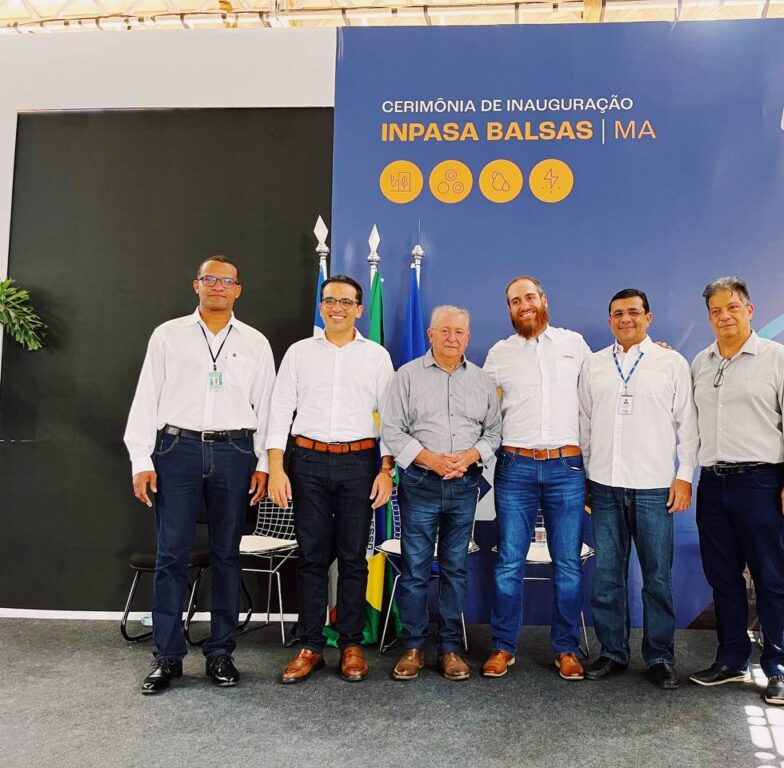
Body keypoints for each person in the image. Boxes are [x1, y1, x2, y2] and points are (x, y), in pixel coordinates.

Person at [124, 256, 275, 694]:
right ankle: (167, 657)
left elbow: (267, 407)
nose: (218, 286)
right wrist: (140, 459)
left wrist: (264, 463)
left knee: (227, 555)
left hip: (235, 452)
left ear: (238, 290)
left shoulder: (255, 342)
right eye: (210, 278)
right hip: (177, 449)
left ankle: (221, 653)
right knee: (171, 555)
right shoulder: (168, 335)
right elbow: (146, 396)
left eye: (227, 280)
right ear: (196, 285)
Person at [687, 276, 784, 706]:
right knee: (722, 578)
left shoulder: (778, 359)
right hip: (712, 484)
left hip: (762, 483)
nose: (724, 316)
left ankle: (780, 669)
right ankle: (731, 659)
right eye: (716, 310)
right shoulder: (701, 363)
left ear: (749, 310)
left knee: (770, 578)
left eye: (732, 307)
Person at [266, 275, 395, 684]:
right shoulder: (299, 353)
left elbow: (391, 418)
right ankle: (310, 645)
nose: (336, 308)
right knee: (311, 557)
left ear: (359, 309)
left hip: (360, 463)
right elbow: (279, 410)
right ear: (321, 306)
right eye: (329, 300)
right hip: (307, 462)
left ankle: (351, 644)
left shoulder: (376, 356)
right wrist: (276, 467)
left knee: (354, 557)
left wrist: (386, 470)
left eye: (345, 302)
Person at [578, 288, 698, 690]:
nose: (625, 319)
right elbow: (584, 424)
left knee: (657, 579)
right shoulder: (594, 364)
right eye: (617, 314)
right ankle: (612, 652)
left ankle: (660, 656)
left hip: (654, 488)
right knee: (607, 577)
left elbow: (688, 425)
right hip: (605, 486)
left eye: (633, 312)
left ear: (648, 317)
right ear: (609, 320)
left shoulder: (671, 363)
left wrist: (685, 476)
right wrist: (587, 477)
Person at [381, 305, 502, 681]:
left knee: (455, 569)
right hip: (420, 484)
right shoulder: (406, 376)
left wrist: (469, 456)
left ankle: (449, 648)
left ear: (468, 337)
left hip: (465, 485)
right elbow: (392, 429)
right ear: (430, 334)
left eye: (459, 332)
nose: (452, 338)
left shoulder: (482, 381)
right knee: (416, 570)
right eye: (445, 331)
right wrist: (431, 460)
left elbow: (493, 432)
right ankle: (413, 647)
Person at [482, 276, 591, 681]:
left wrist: (653, 353)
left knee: (568, 564)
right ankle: (502, 647)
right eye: (515, 301)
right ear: (510, 310)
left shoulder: (574, 344)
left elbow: (604, 385)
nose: (523, 305)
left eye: (529, 297)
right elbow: (476, 400)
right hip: (516, 466)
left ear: (544, 299)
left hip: (567, 468)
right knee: (509, 561)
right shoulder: (499, 353)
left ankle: (566, 649)